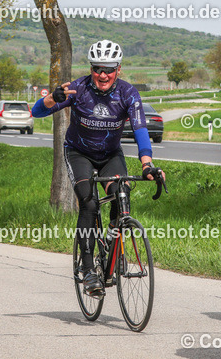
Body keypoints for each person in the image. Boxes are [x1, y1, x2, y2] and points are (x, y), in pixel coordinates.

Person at [32, 39, 164, 297]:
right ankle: (90, 267)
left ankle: (113, 249)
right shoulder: (77, 89)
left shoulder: (128, 93)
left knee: (121, 194)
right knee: (89, 203)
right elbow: (37, 113)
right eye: (97, 68)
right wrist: (51, 99)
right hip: (78, 152)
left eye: (109, 69)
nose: (103, 74)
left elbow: (140, 129)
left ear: (118, 68)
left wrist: (147, 163)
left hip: (109, 155)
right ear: (91, 68)